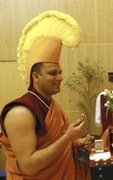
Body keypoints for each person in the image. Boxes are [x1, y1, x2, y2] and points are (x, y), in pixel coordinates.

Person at [0, 11, 92, 179]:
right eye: (52, 73)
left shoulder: (51, 106)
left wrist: (74, 142)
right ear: (36, 76)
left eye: (60, 72)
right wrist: (67, 138)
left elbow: (53, 144)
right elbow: (29, 166)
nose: (60, 77)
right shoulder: (20, 113)